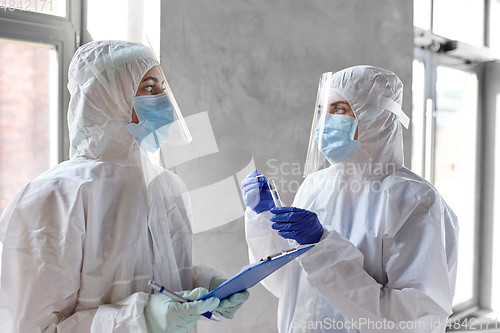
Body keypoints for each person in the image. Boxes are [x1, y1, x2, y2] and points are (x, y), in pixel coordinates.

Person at [0, 40, 248, 333]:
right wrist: (141, 319)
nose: (164, 100)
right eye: (149, 88)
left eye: (163, 88)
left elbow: (153, 271)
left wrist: (204, 286)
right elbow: (34, 327)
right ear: (106, 96)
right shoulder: (53, 198)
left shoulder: (168, 188)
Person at [242, 66, 458, 333]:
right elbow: (288, 282)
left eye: (340, 109)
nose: (325, 121)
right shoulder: (315, 186)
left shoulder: (413, 201)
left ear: (377, 116)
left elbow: (412, 321)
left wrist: (323, 250)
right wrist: (264, 219)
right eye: (322, 109)